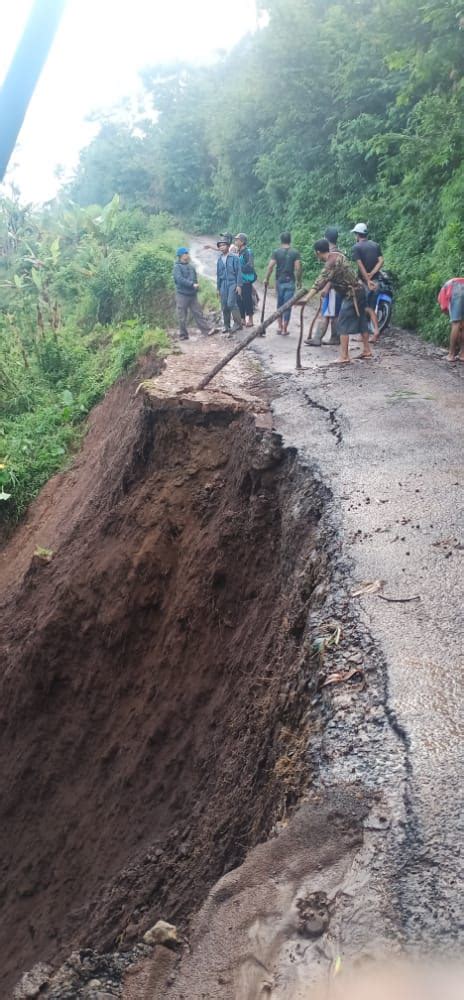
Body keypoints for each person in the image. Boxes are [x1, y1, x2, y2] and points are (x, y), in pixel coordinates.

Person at [304, 239, 372, 364]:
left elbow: (320, 281)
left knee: (342, 323)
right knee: (362, 320)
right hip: (360, 290)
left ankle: (344, 356)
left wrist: (307, 298)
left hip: (352, 294)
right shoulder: (339, 255)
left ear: (318, 252)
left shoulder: (331, 262)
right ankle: (367, 350)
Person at [307, 226, 343, 347]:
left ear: (325, 238)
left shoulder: (331, 255)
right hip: (339, 289)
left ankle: (319, 338)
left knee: (327, 313)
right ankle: (334, 337)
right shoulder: (339, 252)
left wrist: (326, 288)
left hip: (333, 289)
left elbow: (330, 275)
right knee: (333, 314)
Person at [351, 223, 384, 343]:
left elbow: (360, 265)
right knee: (370, 307)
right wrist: (373, 273)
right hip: (376, 282)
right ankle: (372, 332)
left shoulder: (356, 247)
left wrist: (367, 279)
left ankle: (371, 332)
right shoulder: (375, 245)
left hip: (365, 283)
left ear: (357, 234)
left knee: (363, 308)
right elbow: (381, 261)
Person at [264, 231, 302, 335]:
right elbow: (298, 268)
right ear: (290, 240)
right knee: (288, 305)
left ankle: (279, 327)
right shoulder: (295, 253)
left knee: (280, 304)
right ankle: (285, 329)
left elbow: (270, 266)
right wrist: (299, 281)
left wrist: (266, 278)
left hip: (279, 281)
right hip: (290, 281)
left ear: (281, 240)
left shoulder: (276, 252)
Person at [172, 247, 214, 341]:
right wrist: (191, 284)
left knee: (198, 313)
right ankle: (183, 334)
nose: (187, 255)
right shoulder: (177, 267)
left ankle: (207, 331)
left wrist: (196, 287)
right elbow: (179, 280)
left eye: (187, 253)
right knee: (182, 316)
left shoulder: (191, 267)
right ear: (181, 256)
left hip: (192, 294)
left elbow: (194, 278)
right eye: (185, 253)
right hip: (182, 294)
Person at [216, 235, 243, 333]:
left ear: (228, 246)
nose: (222, 247)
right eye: (220, 245)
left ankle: (238, 323)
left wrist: (239, 285)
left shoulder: (234, 258)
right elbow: (218, 275)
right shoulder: (219, 260)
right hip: (223, 284)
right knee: (224, 305)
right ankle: (226, 326)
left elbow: (239, 272)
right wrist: (218, 288)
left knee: (231, 303)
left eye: (224, 245)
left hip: (232, 283)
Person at [437, 277, 464, 361]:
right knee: (462, 324)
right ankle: (462, 354)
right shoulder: (446, 287)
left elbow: (444, 308)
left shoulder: (442, 296)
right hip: (459, 284)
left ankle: (451, 354)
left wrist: (453, 319)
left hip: (457, 287)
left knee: (455, 323)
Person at [235, 233, 256, 327]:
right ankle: (242, 319)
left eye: (237, 240)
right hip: (239, 281)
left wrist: (239, 268)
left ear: (242, 242)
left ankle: (250, 319)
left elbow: (250, 266)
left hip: (246, 281)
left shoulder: (248, 252)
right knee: (239, 300)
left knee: (247, 300)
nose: (235, 241)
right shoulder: (238, 252)